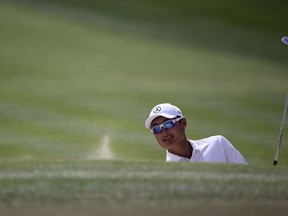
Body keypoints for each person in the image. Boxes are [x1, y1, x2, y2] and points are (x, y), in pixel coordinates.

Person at [145, 103, 247, 164]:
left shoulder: (218, 144)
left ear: (183, 122)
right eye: (156, 129)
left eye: (168, 124)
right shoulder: (167, 174)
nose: (164, 132)